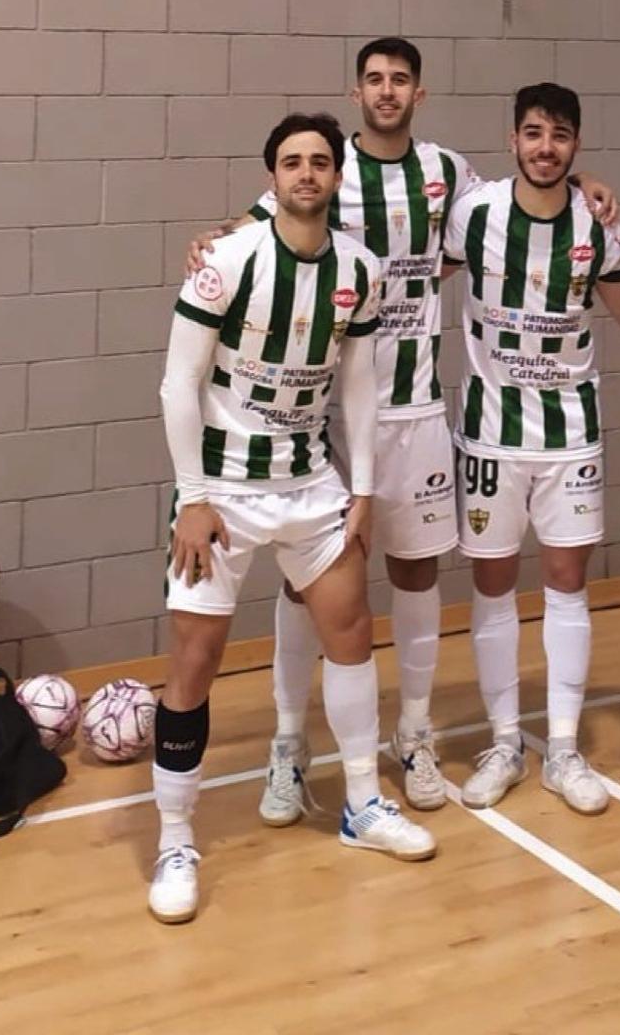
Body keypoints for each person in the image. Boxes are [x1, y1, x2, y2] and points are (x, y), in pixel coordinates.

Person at [184, 41, 620, 822]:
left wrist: (588, 185)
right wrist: (210, 235)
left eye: (401, 80)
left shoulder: (450, 175)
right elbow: (252, 224)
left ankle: (414, 734)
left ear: (420, 93)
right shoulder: (321, 168)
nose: (387, 92)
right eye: (375, 80)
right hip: (320, 419)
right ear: (358, 92)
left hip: (415, 408)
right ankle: (290, 747)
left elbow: (527, 201)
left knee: (418, 576)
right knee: (302, 583)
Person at [150, 112, 434, 926]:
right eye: (291, 162)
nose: (306, 173)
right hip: (224, 493)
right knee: (194, 665)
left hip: (311, 487)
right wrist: (194, 497)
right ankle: (176, 838)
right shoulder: (226, 261)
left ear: (339, 176)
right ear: (270, 175)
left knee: (350, 634)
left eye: (319, 161)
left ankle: (361, 805)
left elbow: (358, 387)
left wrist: (366, 489)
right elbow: (178, 385)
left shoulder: (360, 269)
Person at [443, 83, 620, 814]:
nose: (545, 147)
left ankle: (561, 747)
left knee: (566, 583)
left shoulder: (597, 225)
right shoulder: (475, 214)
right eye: (532, 133)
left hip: (570, 435)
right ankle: (504, 741)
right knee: (492, 586)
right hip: (492, 430)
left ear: (576, 145)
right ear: (512, 140)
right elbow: (409, 274)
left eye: (559, 135)